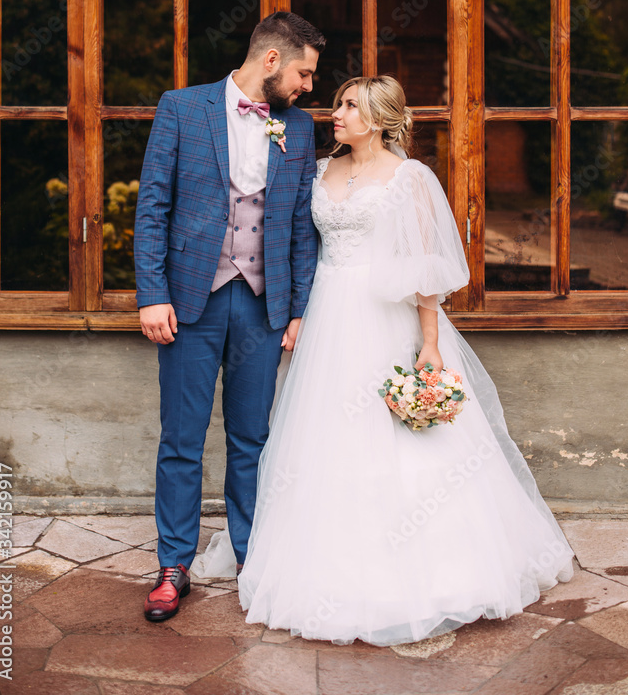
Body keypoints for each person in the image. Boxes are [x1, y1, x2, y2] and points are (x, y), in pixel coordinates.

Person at [230, 74, 575, 646]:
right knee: (325, 437)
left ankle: (427, 569)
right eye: (337, 103)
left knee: (401, 437)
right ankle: (328, 563)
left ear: (381, 119)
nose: (335, 113)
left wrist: (430, 343)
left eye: (348, 106)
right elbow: (297, 244)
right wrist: (294, 312)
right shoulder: (318, 170)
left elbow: (423, 267)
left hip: (384, 316)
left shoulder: (409, 179)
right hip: (327, 317)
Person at [134, 10, 326, 623]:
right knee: (182, 439)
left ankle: (251, 558)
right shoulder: (182, 108)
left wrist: (298, 310)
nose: (309, 86)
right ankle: (173, 565)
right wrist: (151, 293)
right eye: (304, 71)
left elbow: (301, 228)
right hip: (190, 300)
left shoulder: (298, 126)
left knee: (252, 437)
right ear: (272, 60)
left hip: (262, 304)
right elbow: (152, 207)